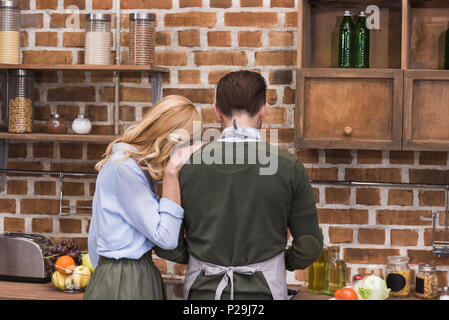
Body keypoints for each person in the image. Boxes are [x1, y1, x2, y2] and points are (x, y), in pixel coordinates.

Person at [155, 71, 323, 300]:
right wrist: (274, 263)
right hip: (265, 294)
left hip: (202, 294)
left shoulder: (184, 166)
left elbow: (166, 245)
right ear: (264, 109)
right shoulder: (288, 166)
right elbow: (309, 247)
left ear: (216, 110)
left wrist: (200, 258)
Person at [84, 95, 201, 300]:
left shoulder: (136, 167)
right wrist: (172, 172)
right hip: (126, 279)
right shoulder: (124, 168)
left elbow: (94, 238)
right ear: (171, 139)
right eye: (188, 140)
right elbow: (165, 238)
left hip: (124, 275)